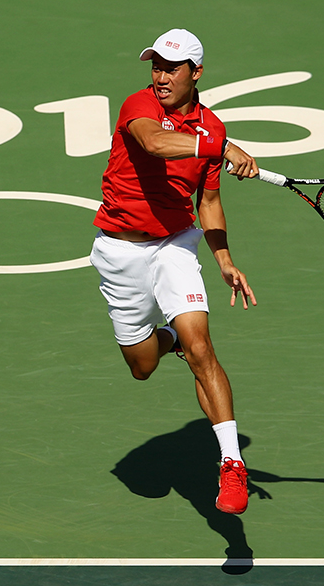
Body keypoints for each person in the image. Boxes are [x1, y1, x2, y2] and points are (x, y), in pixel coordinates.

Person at [89, 28, 258, 515]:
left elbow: (208, 201)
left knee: (202, 344)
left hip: (175, 245)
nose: (160, 76)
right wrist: (220, 149)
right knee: (142, 366)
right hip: (120, 251)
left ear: (196, 73)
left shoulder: (214, 128)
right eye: (156, 66)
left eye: (172, 68)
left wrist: (224, 259)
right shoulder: (137, 105)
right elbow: (159, 144)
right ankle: (168, 340)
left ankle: (231, 464)